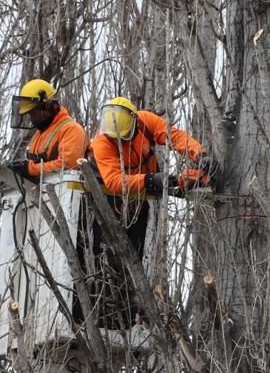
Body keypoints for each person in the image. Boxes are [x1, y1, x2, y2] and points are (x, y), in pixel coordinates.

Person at [85, 97, 217, 325]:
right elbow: (115, 181)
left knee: (136, 251)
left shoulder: (146, 122)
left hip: (141, 195)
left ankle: (130, 312)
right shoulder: (102, 143)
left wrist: (199, 154)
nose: (121, 142)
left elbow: (175, 137)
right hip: (110, 197)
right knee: (107, 252)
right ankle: (108, 313)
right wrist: (150, 180)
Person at [7, 78, 87, 180]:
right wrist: (19, 168)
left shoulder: (71, 130)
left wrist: (30, 170)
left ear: (47, 106)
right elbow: (32, 165)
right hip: (39, 192)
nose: (32, 119)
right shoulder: (39, 134)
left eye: (33, 113)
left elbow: (68, 165)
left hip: (63, 193)